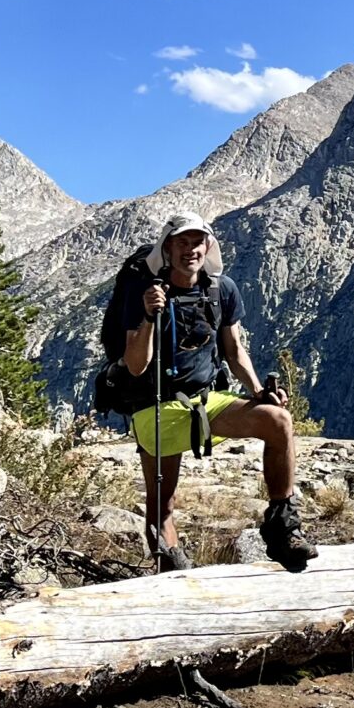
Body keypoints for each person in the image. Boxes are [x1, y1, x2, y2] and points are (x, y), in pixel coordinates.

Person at [120, 212, 316, 574]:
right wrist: (149, 317)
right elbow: (135, 365)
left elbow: (233, 349)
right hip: (156, 407)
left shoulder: (220, 289)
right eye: (181, 242)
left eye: (197, 242)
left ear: (208, 246)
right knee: (162, 505)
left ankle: (282, 528)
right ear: (167, 247)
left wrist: (258, 390)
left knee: (278, 421)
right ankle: (172, 573)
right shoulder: (145, 292)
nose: (190, 249)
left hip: (208, 400)